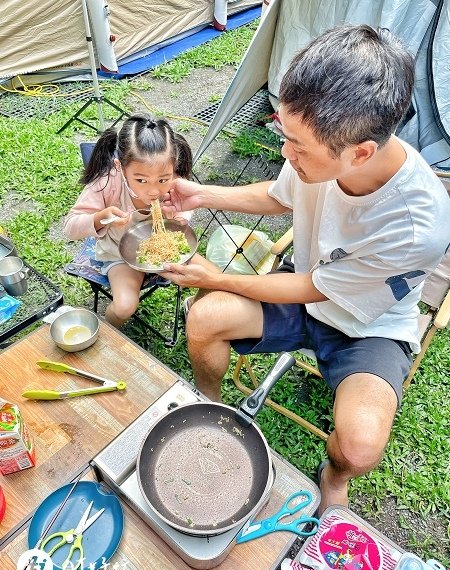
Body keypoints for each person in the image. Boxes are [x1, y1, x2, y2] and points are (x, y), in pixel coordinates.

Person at [160, 24, 450, 515]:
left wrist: (215, 278)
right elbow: (277, 195)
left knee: (360, 446)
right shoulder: (319, 152)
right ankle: (210, 403)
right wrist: (203, 192)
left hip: (366, 326)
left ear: (360, 152)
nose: (284, 154)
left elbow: (314, 289)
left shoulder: (416, 225)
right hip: (307, 285)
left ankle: (332, 478)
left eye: (298, 146)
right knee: (204, 320)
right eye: (284, 135)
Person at [64, 114, 194, 328]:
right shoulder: (108, 181)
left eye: (163, 179)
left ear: (174, 166)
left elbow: (187, 208)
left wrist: (181, 217)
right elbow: (70, 227)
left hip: (168, 253)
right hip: (120, 255)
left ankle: (194, 308)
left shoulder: (175, 180)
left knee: (214, 277)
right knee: (124, 306)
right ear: (120, 167)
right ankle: (109, 336)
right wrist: (101, 218)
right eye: (141, 180)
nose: (153, 190)